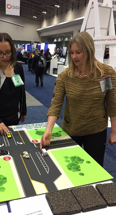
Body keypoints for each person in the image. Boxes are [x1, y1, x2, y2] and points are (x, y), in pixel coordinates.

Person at [40, 31, 116, 167]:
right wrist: (48, 130)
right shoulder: (65, 76)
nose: (74, 56)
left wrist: (114, 131)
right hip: (71, 129)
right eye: (72, 52)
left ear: (89, 51)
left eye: (78, 52)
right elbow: (56, 104)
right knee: (69, 168)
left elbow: (112, 103)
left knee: (94, 169)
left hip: (96, 131)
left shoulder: (105, 73)